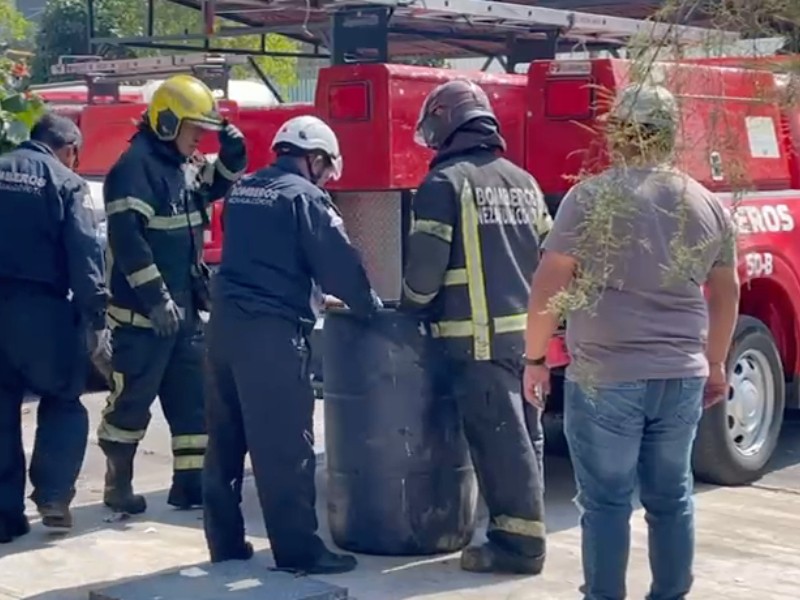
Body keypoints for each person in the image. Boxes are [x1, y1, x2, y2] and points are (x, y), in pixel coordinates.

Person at [522, 83, 740, 600]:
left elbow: (547, 285)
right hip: (682, 375)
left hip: (607, 377)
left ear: (618, 134)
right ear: (669, 135)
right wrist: (715, 363)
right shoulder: (705, 202)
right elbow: (727, 292)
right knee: (672, 496)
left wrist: (534, 359)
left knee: (606, 502)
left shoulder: (591, 197)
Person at [203, 115, 381, 574]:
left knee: (225, 440)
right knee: (283, 445)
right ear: (314, 158)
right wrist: (370, 308)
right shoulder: (305, 198)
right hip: (270, 333)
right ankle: (299, 551)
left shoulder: (243, 190)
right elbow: (337, 262)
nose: (325, 177)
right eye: (325, 168)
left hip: (223, 326)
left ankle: (224, 543)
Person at [399, 79, 553, 575]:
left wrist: (409, 309)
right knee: (525, 441)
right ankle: (522, 532)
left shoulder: (444, 184)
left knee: (500, 445)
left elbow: (424, 271)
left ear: (446, 123)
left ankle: (520, 547)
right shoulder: (524, 182)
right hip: (527, 340)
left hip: (476, 340)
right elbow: (550, 257)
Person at [98, 74, 246, 514]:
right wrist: (156, 298)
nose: (199, 137)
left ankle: (189, 485)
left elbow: (212, 186)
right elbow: (128, 240)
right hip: (143, 318)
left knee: (192, 402)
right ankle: (117, 485)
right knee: (131, 401)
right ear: (167, 123)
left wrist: (233, 158)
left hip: (183, 310)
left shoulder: (181, 165)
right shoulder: (134, 168)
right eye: (194, 128)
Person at [0, 113, 108, 540]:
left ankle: (4, 517)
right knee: (64, 398)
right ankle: (52, 495)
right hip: (42, 311)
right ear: (69, 149)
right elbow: (84, 252)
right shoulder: (66, 182)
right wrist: (95, 311)